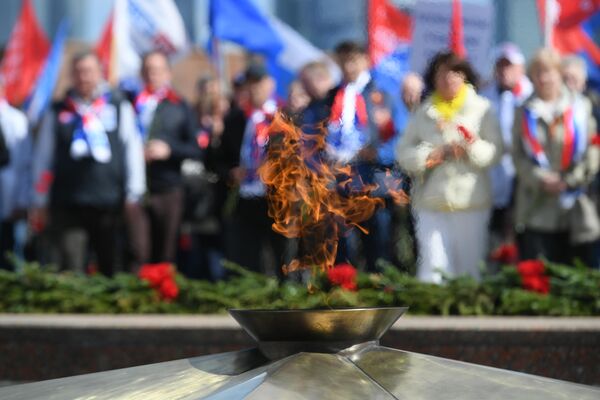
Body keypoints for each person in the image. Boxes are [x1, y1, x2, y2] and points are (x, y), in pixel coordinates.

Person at [31, 51, 145, 276]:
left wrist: (134, 193)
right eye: (79, 72)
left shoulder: (119, 106)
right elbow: (43, 158)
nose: (84, 77)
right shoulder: (58, 110)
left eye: (89, 71)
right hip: (68, 202)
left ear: (99, 73)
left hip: (109, 202)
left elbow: (132, 151)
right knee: (71, 265)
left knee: (110, 265)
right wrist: (38, 200)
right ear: (72, 75)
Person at [396, 51, 503, 283]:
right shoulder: (423, 112)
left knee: (470, 268)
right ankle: (433, 315)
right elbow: (403, 154)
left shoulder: (483, 108)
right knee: (433, 267)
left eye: (455, 72)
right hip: (431, 201)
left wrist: (470, 147)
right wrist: (432, 155)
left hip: (470, 201)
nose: (449, 79)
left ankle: (468, 315)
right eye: (442, 73)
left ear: (465, 76)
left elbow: (494, 152)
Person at [513, 48, 599, 267]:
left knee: (578, 277)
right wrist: (540, 179)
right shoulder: (524, 110)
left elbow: (593, 148)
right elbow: (517, 154)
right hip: (537, 206)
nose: (543, 78)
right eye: (538, 72)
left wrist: (568, 180)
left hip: (576, 208)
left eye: (549, 71)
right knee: (539, 279)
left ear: (559, 73)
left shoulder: (580, 106)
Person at [326, 41, 398, 272]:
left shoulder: (381, 93)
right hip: (342, 180)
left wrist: (379, 152)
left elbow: (398, 135)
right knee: (343, 246)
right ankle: (345, 293)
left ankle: (379, 291)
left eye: (354, 59)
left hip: (372, 178)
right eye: (344, 60)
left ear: (366, 60)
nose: (349, 65)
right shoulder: (333, 96)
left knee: (377, 242)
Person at [126, 50, 202, 268]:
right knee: (138, 251)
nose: (152, 75)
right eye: (148, 70)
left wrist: (169, 150)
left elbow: (195, 149)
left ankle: (163, 298)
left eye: (158, 70)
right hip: (136, 189)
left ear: (168, 73)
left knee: (166, 252)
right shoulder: (131, 103)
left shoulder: (179, 105)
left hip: (168, 188)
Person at [221, 62, 289, 277]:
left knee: (281, 252)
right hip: (246, 195)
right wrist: (231, 172)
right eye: (249, 84)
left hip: (275, 196)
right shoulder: (236, 119)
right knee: (248, 252)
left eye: (258, 82)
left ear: (270, 83)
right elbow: (219, 158)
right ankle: (252, 295)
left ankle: (284, 297)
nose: (254, 88)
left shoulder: (284, 116)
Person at [481, 43, 533, 251]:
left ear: (521, 69)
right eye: (501, 66)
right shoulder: (485, 96)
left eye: (509, 66)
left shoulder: (530, 95)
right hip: (493, 176)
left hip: (522, 175)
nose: (504, 71)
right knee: (495, 234)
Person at [0, 76, 31, 270]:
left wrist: (22, 200)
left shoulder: (16, 119)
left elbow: (25, 165)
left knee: (13, 257)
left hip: (11, 204)